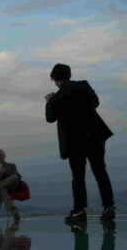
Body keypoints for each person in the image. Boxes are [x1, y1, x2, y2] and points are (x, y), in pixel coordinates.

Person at [45, 64, 115, 223]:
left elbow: (50, 118)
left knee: (78, 177)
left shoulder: (57, 97)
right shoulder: (84, 85)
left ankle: (79, 211)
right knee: (100, 172)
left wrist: (49, 101)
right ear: (69, 75)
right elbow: (96, 102)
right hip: (94, 136)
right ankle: (109, 206)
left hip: (74, 141)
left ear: (54, 78)